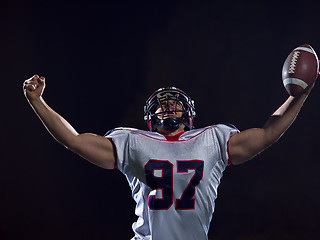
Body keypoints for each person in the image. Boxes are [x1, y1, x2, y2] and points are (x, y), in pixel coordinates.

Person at [23, 74, 314, 240]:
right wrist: (38, 102)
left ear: (188, 113)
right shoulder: (132, 141)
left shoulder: (213, 139)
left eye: (175, 104)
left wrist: (299, 94)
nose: (170, 109)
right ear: (151, 116)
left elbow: (266, 135)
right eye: (163, 107)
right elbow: (74, 141)